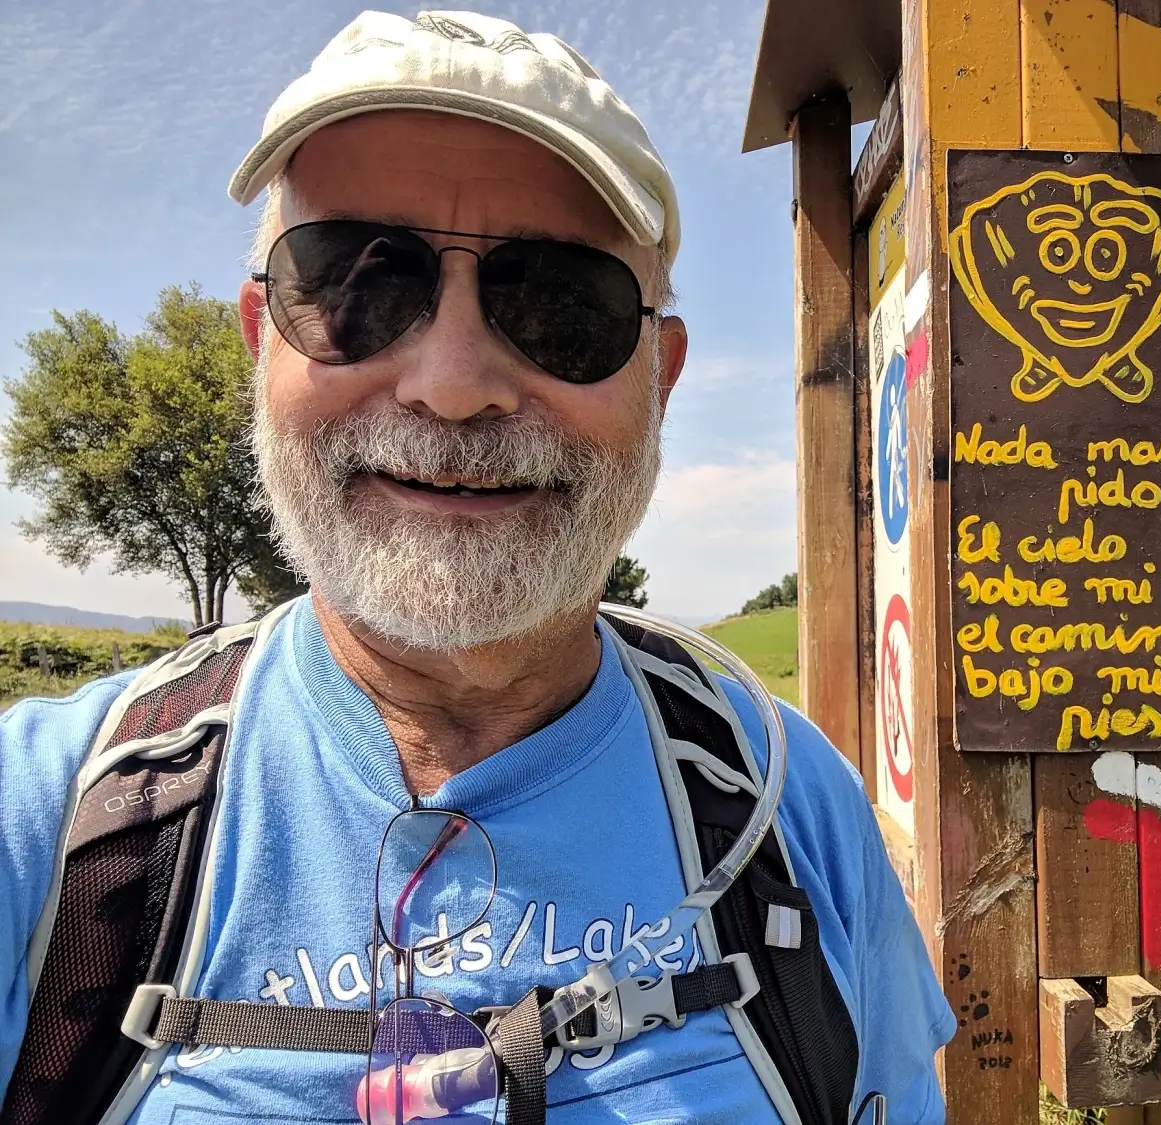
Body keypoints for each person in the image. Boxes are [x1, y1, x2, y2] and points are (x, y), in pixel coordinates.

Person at [0, 10, 955, 1124]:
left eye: (561, 305)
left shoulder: (795, 811)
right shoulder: (54, 831)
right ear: (263, 338)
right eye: (357, 285)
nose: (453, 384)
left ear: (662, 375)